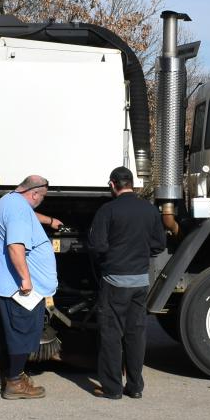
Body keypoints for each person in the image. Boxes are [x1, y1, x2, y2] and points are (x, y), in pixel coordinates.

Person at [87, 166, 166, 400]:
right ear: (133, 184)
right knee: (136, 334)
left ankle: (111, 388)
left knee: (112, 335)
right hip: (140, 282)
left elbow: (97, 245)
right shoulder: (149, 210)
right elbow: (158, 245)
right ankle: (135, 386)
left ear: (113, 184)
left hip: (114, 281)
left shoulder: (107, 210)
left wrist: (109, 258)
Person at [0, 175, 61, 400]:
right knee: (21, 334)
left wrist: (49, 220)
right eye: (42, 197)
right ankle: (15, 382)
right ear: (35, 193)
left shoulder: (9, 201)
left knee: (11, 334)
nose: (41, 200)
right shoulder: (18, 210)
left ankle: (11, 375)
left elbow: (27, 217)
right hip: (17, 288)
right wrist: (26, 280)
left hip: (3, 285)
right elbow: (16, 246)